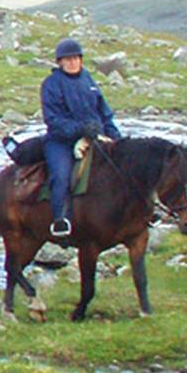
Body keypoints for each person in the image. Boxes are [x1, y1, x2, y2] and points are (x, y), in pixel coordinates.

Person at [40, 38, 120, 238]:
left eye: (75, 58)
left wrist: (115, 136)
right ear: (60, 62)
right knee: (61, 175)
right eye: (67, 59)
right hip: (61, 142)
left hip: (95, 136)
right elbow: (53, 120)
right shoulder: (51, 84)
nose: (72, 62)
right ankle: (61, 220)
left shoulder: (88, 79)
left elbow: (104, 111)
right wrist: (80, 129)